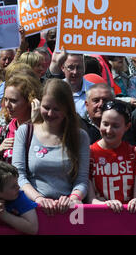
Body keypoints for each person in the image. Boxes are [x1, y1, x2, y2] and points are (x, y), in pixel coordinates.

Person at [12, 79, 90, 216]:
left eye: (56, 109)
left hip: (68, 212)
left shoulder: (80, 137)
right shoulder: (25, 132)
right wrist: (38, 198)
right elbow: (19, 176)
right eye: (46, 107)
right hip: (32, 210)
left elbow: (82, 180)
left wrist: (73, 198)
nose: (50, 113)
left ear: (67, 109)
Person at [87, 100, 136, 214]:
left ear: (127, 127)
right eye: (105, 124)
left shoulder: (134, 153)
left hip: (128, 217)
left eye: (115, 126)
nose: (109, 130)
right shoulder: (89, 153)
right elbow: (91, 199)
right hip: (99, 216)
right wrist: (102, 204)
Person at [81, 53, 136, 146]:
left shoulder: (125, 130)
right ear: (87, 104)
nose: (101, 104)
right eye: (96, 100)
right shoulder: (79, 129)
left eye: (105, 100)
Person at [0, 74, 42, 163]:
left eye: (13, 101)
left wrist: (35, 124)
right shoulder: (3, 132)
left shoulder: (43, 131)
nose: (7, 105)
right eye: (6, 99)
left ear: (30, 101)